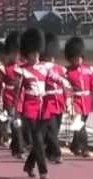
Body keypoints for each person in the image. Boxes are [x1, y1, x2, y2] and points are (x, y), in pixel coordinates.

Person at [16, 28, 70, 179]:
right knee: (38, 139)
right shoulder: (21, 71)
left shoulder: (45, 67)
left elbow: (54, 77)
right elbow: (18, 94)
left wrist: (65, 82)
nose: (36, 56)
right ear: (27, 54)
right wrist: (16, 114)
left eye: (37, 53)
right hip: (30, 107)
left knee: (41, 138)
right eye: (33, 53)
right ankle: (43, 171)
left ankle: (28, 165)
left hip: (44, 107)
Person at [65, 37, 93, 157]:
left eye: (80, 57)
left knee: (79, 124)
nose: (78, 60)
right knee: (80, 125)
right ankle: (85, 148)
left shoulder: (89, 69)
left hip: (87, 101)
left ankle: (75, 146)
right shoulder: (67, 72)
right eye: (75, 57)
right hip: (75, 102)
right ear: (71, 58)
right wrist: (68, 103)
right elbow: (67, 88)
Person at [0, 31, 26, 159]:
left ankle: (16, 148)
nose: (16, 55)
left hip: (22, 99)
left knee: (20, 124)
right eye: (13, 52)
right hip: (9, 98)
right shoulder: (5, 68)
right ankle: (19, 149)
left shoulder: (24, 67)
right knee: (16, 124)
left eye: (18, 52)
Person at [40, 32, 65, 163]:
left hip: (59, 101)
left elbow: (66, 86)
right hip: (46, 102)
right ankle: (57, 153)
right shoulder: (40, 68)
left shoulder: (60, 69)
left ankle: (49, 152)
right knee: (51, 128)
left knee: (56, 128)